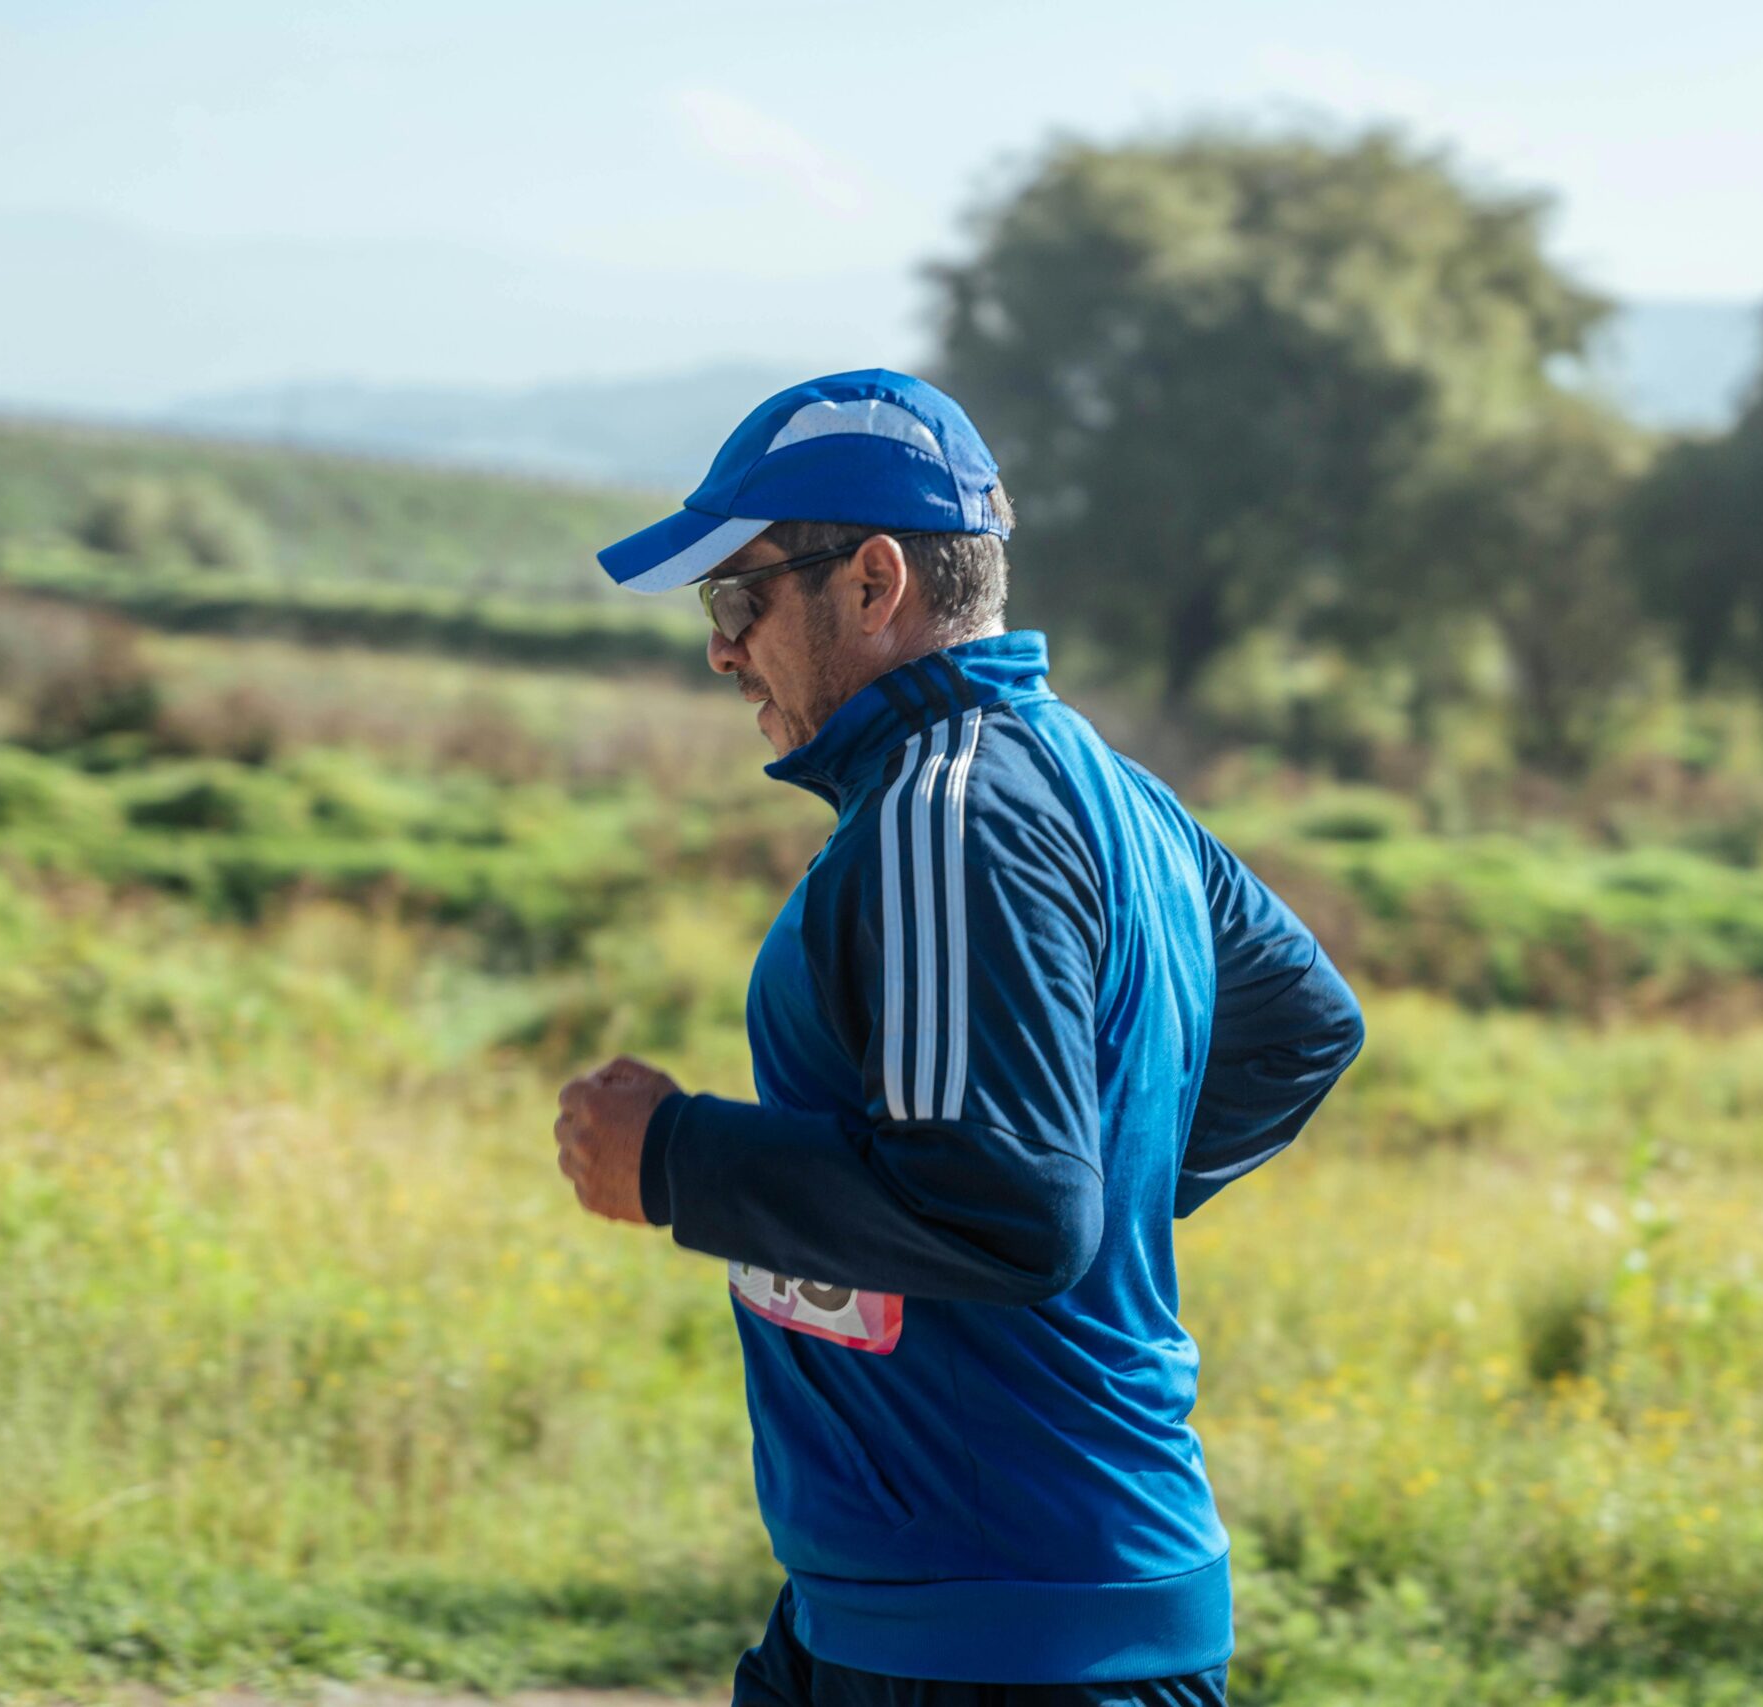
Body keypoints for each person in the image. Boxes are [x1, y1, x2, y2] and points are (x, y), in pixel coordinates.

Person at [551, 369, 1366, 1707]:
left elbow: (1005, 1211)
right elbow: (1301, 1026)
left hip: (1006, 1633)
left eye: (738, 598)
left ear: (875, 583)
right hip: (909, 1602)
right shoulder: (1101, 785)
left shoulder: (947, 812)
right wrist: (1098, 1185)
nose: (722, 649)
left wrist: (673, 1161)